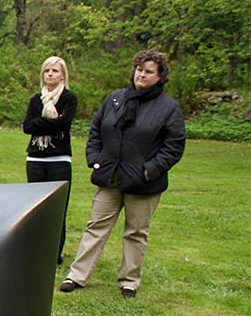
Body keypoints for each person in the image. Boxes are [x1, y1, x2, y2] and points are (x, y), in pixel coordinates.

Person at [59, 50, 185, 299]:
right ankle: (76, 275)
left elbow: (174, 146)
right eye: (139, 69)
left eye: (148, 71)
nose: (141, 74)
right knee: (95, 226)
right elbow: (96, 129)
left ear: (160, 77)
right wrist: (95, 159)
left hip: (144, 183)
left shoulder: (168, 107)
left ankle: (129, 281)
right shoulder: (115, 99)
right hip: (110, 177)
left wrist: (150, 170)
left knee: (136, 232)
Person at [22, 56, 78, 265]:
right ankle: (35, 249)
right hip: (36, 159)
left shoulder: (69, 99)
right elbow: (28, 127)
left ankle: (55, 252)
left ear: (62, 74)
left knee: (57, 208)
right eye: (47, 71)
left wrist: (43, 124)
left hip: (59, 160)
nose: (50, 74)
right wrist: (48, 121)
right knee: (35, 207)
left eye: (54, 71)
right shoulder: (36, 100)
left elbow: (64, 124)